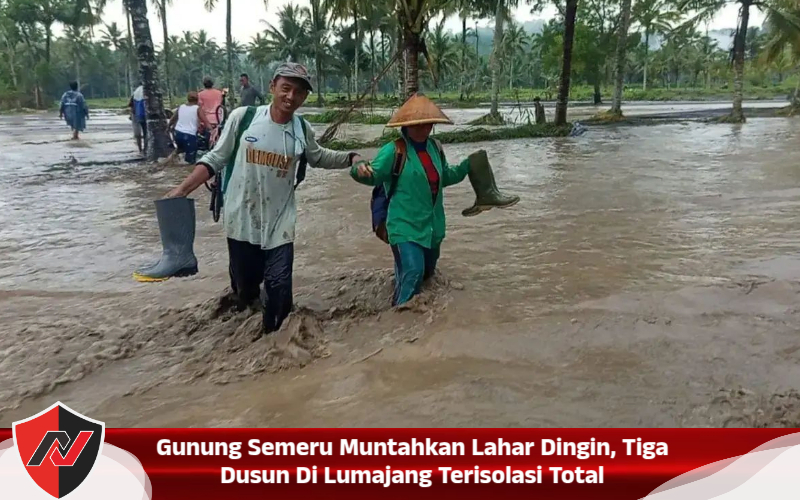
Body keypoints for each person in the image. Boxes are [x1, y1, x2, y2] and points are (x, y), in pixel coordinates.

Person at [164, 62, 363, 334]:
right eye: (286, 89)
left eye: (299, 92)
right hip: (241, 220)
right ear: (272, 87)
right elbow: (215, 158)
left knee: (279, 291)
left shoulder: (302, 129)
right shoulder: (243, 118)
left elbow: (318, 156)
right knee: (246, 295)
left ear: (305, 97)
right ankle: (243, 337)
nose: (291, 97)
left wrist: (350, 158)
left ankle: (277, 348)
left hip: (280, 223)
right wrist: (182, 190)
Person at [350, 94, 473, 306]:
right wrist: (358, 170)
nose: (422, 128)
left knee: (427, 274)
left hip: (432, 226)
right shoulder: (394, 150)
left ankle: (421, 319)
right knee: (413, 272)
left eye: (427, 123)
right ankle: (399, 320)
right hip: (403, 225)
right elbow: (374, 175)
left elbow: (444, 177)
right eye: (416, 124)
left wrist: (466, 167)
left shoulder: (435, 148)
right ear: (405, 125)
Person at [168, 91, 209, 164]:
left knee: (180, 149)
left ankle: (169, 161)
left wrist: (167, 128)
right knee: (190, 160)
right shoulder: (197, 108)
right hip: (189, 136)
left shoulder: (181, 107)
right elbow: (205, 121)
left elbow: (172, 119)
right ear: (197, 100)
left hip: (177, 134)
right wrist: (212, 129)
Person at [198, 76, 225, 146]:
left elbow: (199, 108)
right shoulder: (219, 93)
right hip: (219, 118)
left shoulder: (200, 94)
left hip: (207, 120)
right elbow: (222, 105)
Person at [128, 83, 146, 153]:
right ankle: (145, 148)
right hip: (144, 116)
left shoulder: (136, 91)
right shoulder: (146, 91)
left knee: (138, 134)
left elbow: (130, 104)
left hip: (135, 115)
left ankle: (140, 149)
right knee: (146, 133)